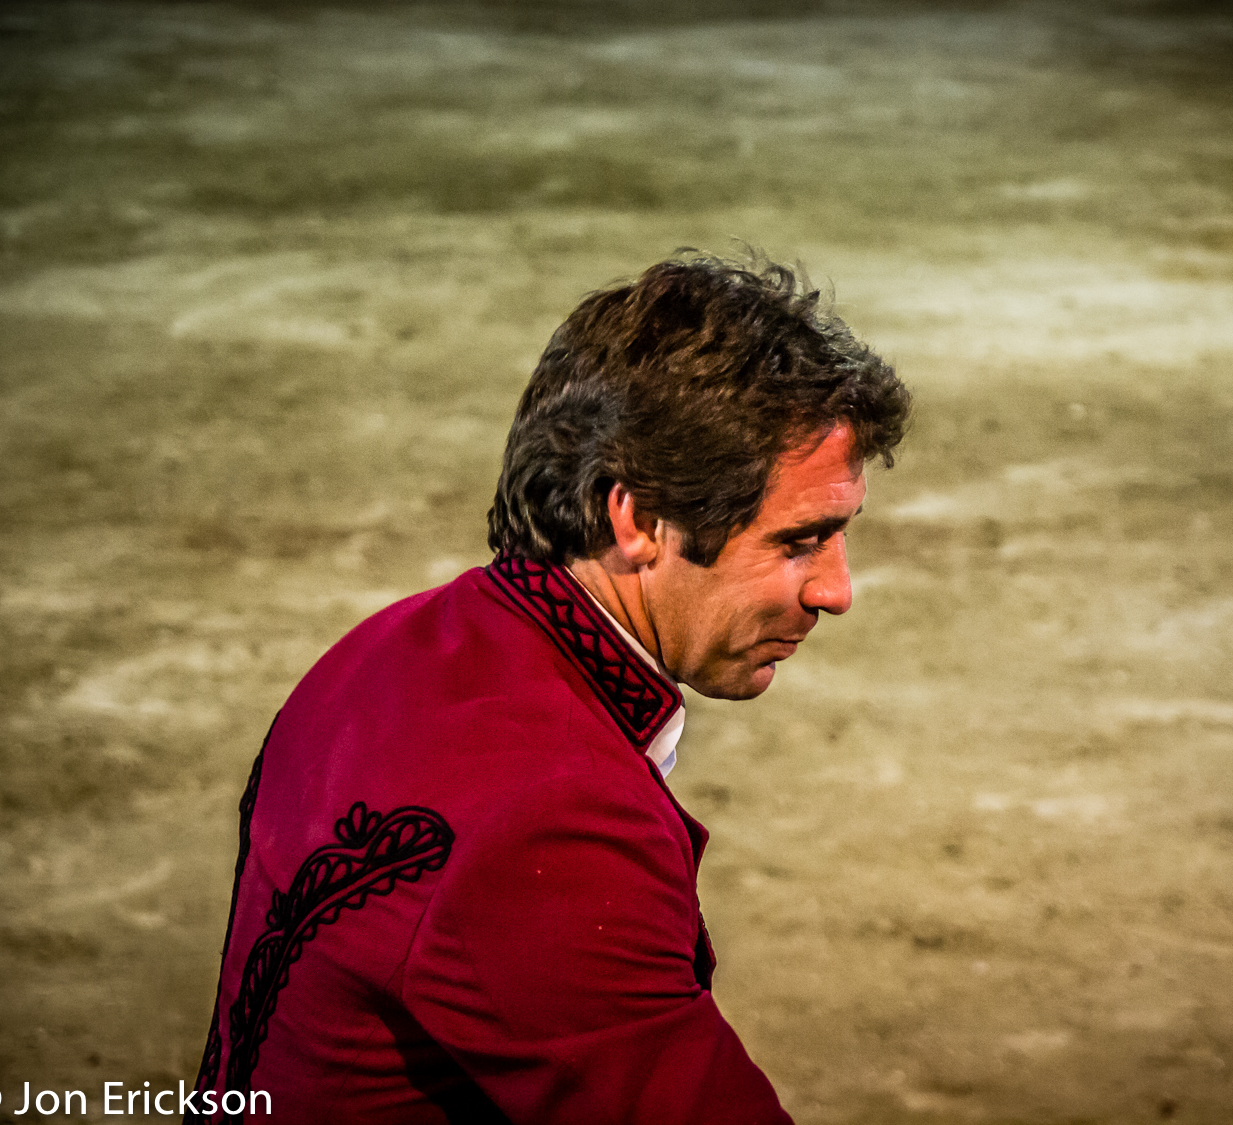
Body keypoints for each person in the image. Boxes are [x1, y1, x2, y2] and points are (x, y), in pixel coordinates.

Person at [190, 252, 911, 1124]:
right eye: (799, 541)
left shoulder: (378, 650)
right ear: (637, 518)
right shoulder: (555, 820)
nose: (836, 590)